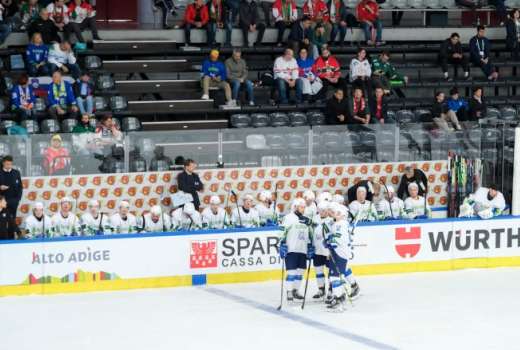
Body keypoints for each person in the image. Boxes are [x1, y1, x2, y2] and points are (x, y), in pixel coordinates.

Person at [324, 203, 360, 309]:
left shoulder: (341, 224)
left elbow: (339, 238)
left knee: (335, 277)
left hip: (340, 253)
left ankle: (339, 298)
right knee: (334, 276)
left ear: (344, 215)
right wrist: (330, 239)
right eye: (336, 212)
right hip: (337, 252)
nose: (336, 214)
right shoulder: (338, 223)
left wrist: (331, 241)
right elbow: (336, 236)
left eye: (338, 213)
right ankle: (338, 296)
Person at [278, 197, 313, 301]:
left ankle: (295, 290)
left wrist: (310, 245)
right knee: (292, 272)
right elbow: (281, 231)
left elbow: (310, 233)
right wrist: (281, 243)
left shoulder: (306, 219)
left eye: (304, 207)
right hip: (291, 249)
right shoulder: (288, 218)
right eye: (301, 207)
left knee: (301, 271)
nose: (303, 209)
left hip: (302, 249)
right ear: (295, 207)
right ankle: (289, 292)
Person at [311, 201, 331, 299]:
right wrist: (309, 245)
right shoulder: (314, 219)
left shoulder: (331, 220)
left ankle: (331, 290)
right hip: (317, 250)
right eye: (321, 210)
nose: (323, 212)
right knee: (318, 270)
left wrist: (331, 251)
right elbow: (311, 233)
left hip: (328, 251)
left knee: (329, 271)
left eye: (325, 210)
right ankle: (321, 289)